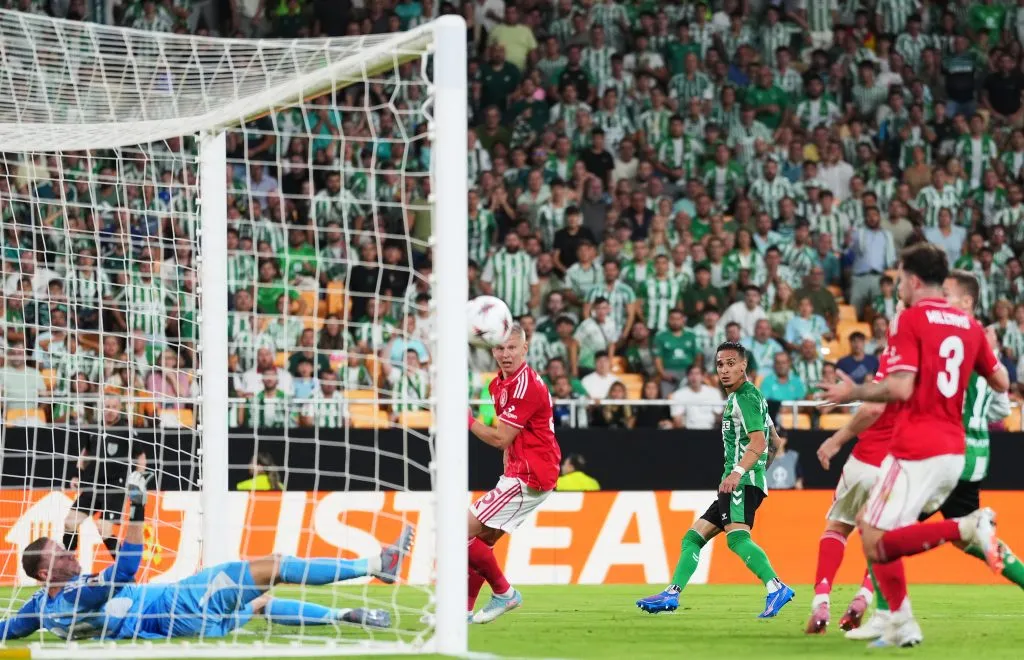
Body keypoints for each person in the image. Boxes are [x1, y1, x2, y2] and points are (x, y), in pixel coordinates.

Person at [819, 244, 1009, 648]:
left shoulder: (910, 319)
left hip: (917, 447)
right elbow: (1002, 384)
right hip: (953, 451)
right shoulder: (969, 326)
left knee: (874, 535)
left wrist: (854, 388)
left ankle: (966, 526)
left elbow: (901, 387)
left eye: (900, 277)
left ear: (914, 280)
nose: (898, 285)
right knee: (877, 530)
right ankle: (899, 622)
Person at [0, 474, 410, 641]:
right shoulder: (74, 598)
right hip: (180, 603)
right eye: (62, 556)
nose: (72, 558)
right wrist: (138, 508)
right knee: (276, 565)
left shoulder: (42, 609)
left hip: (184, 625)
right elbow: (125, 570)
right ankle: (376, 566)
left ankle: (346, 616)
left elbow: (7, 629)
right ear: (43, 571)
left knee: (259, 602)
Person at [636, 342, 794, 618]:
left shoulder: (744, 396)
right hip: (742, 481)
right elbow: (775, 442)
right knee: (693, 538)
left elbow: (759, 440)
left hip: (737, 482)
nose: (724, 369)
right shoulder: (753, 397)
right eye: (720, 364)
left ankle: (776, 586)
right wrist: (757, 473)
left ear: (744, 365)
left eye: (731, 363)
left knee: (736, 540)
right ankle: (671, 594)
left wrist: (740, 473)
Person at [806, 306, 901, 636]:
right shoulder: (930, 360)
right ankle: (864, 596)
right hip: (899, 466)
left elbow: (874, 407)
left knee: (838, 526)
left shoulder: (894, 357)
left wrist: (836, 439)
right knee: (880, 537)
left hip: (868, 459)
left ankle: (821, 599)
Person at [467, 324, 561, 623]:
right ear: (492, 350)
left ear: (525, 349)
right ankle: (463, 612)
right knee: (482, 541)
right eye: (500, 348)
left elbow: (500, 438)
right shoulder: (498, 385)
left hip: (530, 476)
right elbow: (511, 440)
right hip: (521, 472)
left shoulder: (526, 386)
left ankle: (505, 593)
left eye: (511, 348)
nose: (505, 354)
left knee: (458, 534)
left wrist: (463, 418)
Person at [63, 398, 152, 562]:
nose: (110, 410)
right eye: (107, 406)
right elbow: (85, 454)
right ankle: (66, 565)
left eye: (114, 407)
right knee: (69, 522)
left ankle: (125, 570)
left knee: (103, 529)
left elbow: (141, 457)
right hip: (93, 485)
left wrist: (138, 478)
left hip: (115, 487)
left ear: (120, 409)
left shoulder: (126, 430)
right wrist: (76, 474)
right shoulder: (95, 429)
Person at [669, 364, 724, 430]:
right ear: (687, 377)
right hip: (688, 433)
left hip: (711, 431)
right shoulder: (678, 395)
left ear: (703, 376)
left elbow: (719, 416)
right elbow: (677, 421)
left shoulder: (715, 393)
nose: (694, 377)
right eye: (691, 374)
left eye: (697, 374)